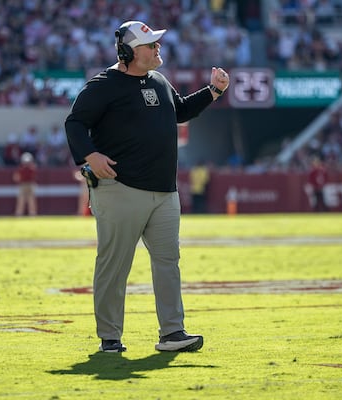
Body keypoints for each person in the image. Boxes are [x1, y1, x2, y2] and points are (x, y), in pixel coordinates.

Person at [64, 20, 229, 353]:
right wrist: (90, 155)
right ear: (127, 52)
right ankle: (110, 338)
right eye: (150, 44)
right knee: (114, 265)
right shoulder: (103, 85)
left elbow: (180, 111)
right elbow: (75, 123)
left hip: (164, 191)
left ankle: (172, 333)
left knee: (168, 262)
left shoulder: (158, 80)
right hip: (120, 188)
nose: (157, 48)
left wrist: (213, 92)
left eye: (156, 43)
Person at [13, 152, 38, 216]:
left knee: (31, 200)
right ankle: (19, 213)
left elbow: (16, 177)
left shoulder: (31, 168)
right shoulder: (22, 169)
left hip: (29, 184)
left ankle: (32, 213)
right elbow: (16, 177)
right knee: (21, 200)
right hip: (24, 185)